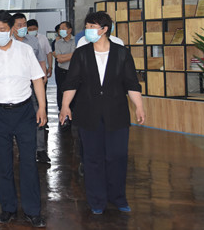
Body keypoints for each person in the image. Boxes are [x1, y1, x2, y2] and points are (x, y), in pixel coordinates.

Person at [59, 11, 145, 215]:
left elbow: (131, 83)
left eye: (91, 27)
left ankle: (118, 197)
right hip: (88, 113)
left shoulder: (121, 53)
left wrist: (139, 106)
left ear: (104, 29)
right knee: (93, 158)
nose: (87, 30)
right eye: (87, 26)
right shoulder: (81, 53)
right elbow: (72, 82)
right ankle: (97, 200)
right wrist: (65, 106)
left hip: (117, 113)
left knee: (117, 156)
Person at [0, 10, 47, 227]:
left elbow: (37, 80)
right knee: (3, 162)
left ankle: (33, 210)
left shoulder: (25, 51)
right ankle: (8, 208)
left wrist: (42, 107)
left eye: (2, 29)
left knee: (28, 162)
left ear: (11, 29)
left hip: (24, 112)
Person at [11, 13, 49, 164]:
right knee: (19, 118)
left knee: (38, 114)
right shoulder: (8, 43)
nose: (23, 28)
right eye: (19, 25)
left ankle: (40, 149)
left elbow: (41, 60)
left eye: (24, 24)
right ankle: (22, 149)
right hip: (16, 86)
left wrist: (43, 75)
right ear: (12, 27)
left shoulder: (33, 41)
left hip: (34, 84)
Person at [53, 21, 75, 114]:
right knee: (61, 91)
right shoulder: (58, 42)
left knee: (73, 92)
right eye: (60, 29)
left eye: (63, 28)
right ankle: (62, 111)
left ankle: (72, 112)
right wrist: (71, 55)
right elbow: (59, 58)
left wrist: (64, 56)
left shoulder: (75, 40)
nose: (61, 30)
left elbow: (75, 55)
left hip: (72, 71)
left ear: (69, 30)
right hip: (61, 71)